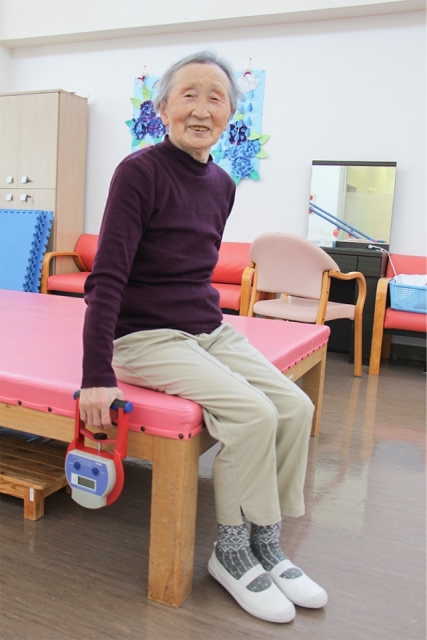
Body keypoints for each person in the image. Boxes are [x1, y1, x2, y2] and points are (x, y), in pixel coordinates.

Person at [79, 50, 327, 624]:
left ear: (230, 115)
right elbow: (107, 278)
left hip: (206, 330)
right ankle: (231, 552)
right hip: (144, 336)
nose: (201, 108)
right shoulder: (139, 172)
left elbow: (191, 270)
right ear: (163, 108)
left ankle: (266, 540)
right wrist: (95, 375)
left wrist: (208, 332)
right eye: (188, 94)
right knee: (252, 414)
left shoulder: (222, 183)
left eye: (215, 98)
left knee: (294, 407)